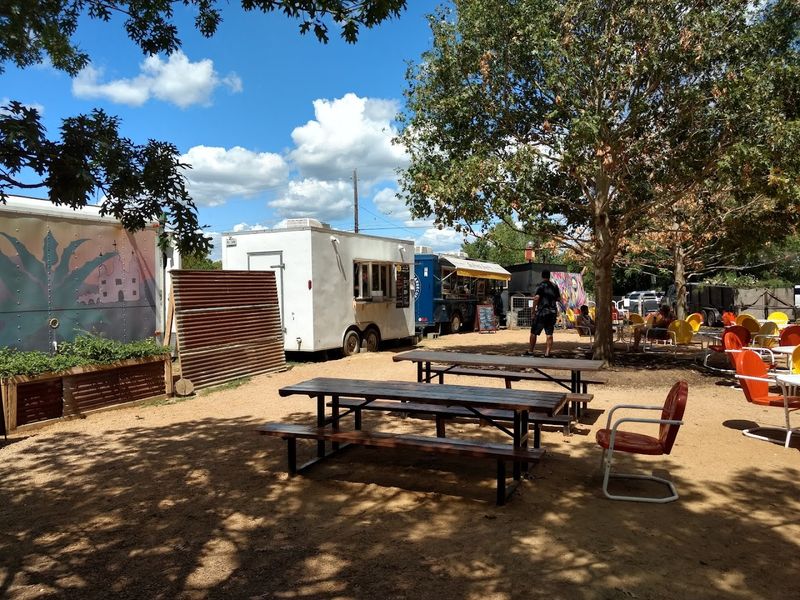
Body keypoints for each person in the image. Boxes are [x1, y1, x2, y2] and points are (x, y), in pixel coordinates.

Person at [526, 270, 561, 357]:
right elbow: (558, 299)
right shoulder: (554, 286)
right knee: (549, 334)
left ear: (542, 276)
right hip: (552, 313)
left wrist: (533, 310)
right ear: (549, 276)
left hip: (542, 312)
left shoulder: (540, 286)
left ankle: (530, 351)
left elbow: (536, 298)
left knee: (534, 332)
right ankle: (547, 353)